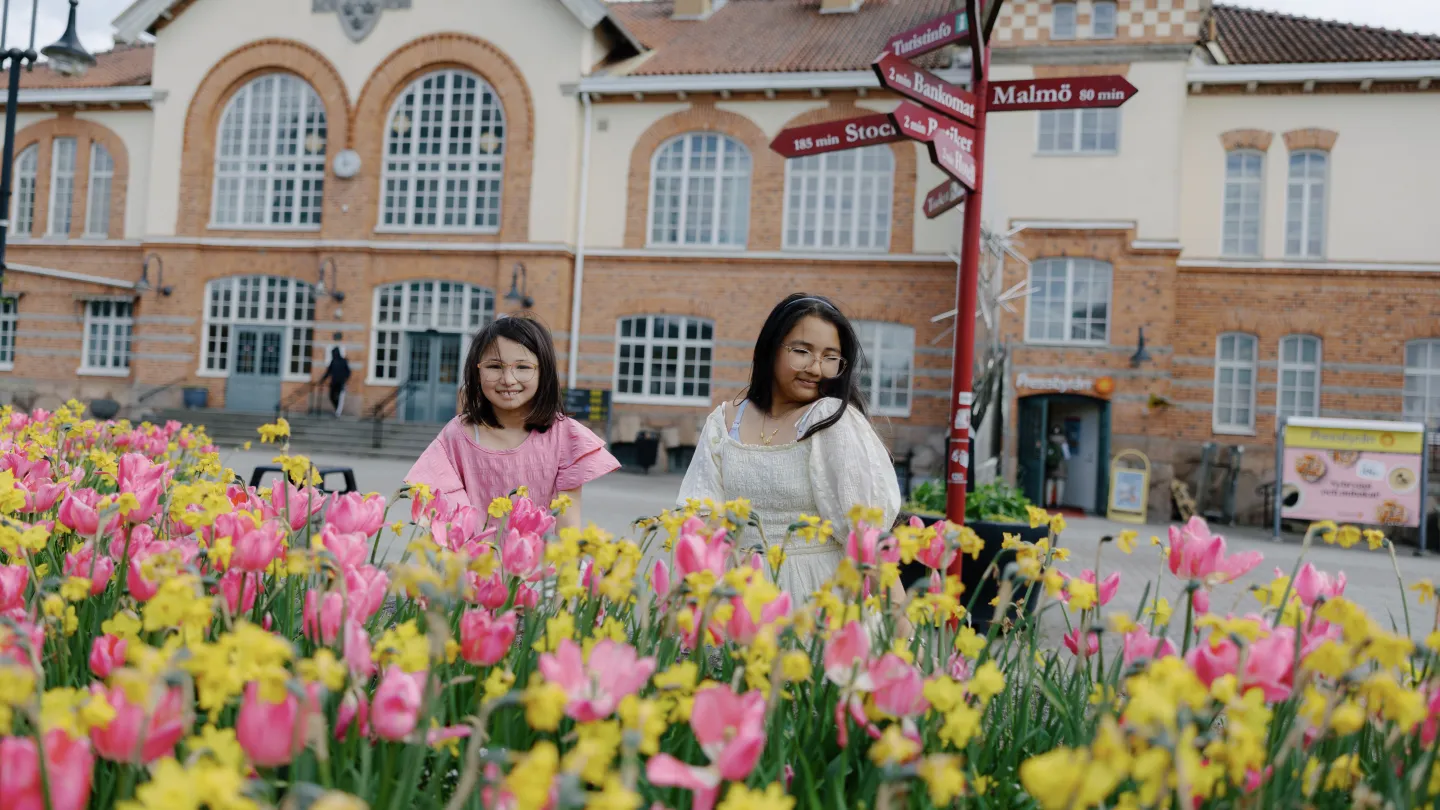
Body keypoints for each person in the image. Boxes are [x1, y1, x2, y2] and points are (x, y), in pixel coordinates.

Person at [677, 293, 902, 599]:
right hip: (740, 601)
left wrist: (903, 630)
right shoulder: (725, 422)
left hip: (820, 601)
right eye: (802, 351)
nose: (815, 368)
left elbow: (868, 536)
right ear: (771, 348)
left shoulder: (832, 418)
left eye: (830, 357)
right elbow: (700, 524)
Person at [406, 315, 620, 530]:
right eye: (495, 367)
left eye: (523, 367)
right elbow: (446, 519)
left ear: (543, 371)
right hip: (472, 561)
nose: (508, 379)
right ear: (476, 370)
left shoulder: (566, 436)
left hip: (539, 562)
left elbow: (568, 526)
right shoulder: (458, 434)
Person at [319, 344, 351, 416]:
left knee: (340, 397)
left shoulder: (343, 361)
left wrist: (345, 379)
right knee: (331, 396)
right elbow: (328, 372)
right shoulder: (333, 361)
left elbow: (348, 372)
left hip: (341, 383)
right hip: (334, 382)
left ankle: (338, 412)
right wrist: (322, 380)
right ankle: (337, 408)